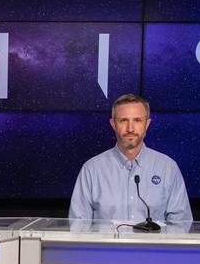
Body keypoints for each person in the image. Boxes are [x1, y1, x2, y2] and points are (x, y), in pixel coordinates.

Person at [69, 93, 192, 221]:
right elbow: (78, 226)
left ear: (147, 124)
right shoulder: (92, 170)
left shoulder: (168, 168)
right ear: (113, 124)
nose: (130, 128)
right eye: (123, 120)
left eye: (137, 120)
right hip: (107, 242)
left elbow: (181, 225)